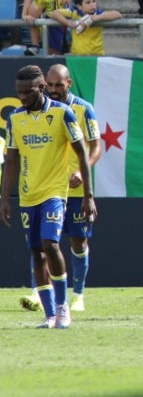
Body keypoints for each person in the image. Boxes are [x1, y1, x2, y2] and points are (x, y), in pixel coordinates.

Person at [0, 65, 93, 329]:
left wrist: (88, 195)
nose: (22, 98)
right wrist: (5, 199)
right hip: (29, 195)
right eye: (19, 93)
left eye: (27, 92)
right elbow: (12, 162)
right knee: (36, 252)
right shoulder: (15, 119)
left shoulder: (62, 114)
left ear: (41, 89)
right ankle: (50, 314)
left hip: (55, 192)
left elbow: (83, 154)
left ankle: (64, 309)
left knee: (51, 244)